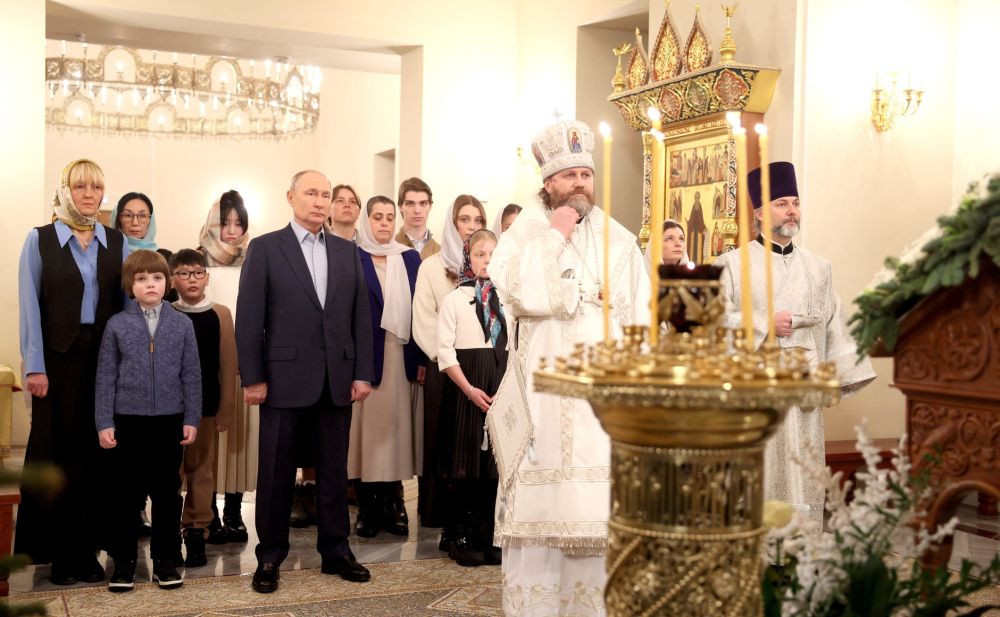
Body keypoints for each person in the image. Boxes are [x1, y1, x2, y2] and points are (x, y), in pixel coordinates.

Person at [489, 119, 650, 617]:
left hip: (599, 407)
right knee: (539, 522)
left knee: (596, 519)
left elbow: (642, 318)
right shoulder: (525, 234)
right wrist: (555, 237)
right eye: (569, 175)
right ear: (548, 182)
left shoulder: (620, 241)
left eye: (586, 174)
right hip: (541, 400)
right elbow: (519, 295)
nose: (580, 183)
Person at [236, 170, 374, 593]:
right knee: (276, 471)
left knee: (334, 470)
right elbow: (249, 319)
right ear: (290, 196)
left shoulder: (347, 250)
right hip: (282, 379)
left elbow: (360, 318)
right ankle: (270, 556)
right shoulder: (264, 248)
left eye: (325, 195)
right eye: (311, 193)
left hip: (336, 379)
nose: (319, 201)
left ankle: (336, 550)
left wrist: (363, 371)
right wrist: (254, 377)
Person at [715, 161, 876, 520]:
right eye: (781, 203)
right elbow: (710, 324)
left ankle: (802, 559)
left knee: (804, 474)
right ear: (759, 213)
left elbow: (836, 322)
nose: (792, 210)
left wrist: (841, 375)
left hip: (803, 397)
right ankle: (757, 561)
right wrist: (762, 323)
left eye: (795, 202)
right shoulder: (731, 264)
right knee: (760, 478)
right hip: (756, 397)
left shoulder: (819, 267)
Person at [17, 158, 128, 585]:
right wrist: (35, 367)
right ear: (65, 190)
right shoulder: (40, 239)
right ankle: (60, 554)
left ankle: (88, 550)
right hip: (56, 364)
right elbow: (29, 305)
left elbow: (123, 307)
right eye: (79, 186)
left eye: (96, 188)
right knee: (57, 456)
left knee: (97, 457)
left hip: (102, 361)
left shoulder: (115, 241)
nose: (88, 194)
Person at [95, 249, 201, 591]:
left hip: (169, 421)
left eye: (156, 278)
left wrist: (192, 417)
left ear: (167, 282)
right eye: (142, 279)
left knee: (167, 494)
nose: (150, 284)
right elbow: (105, 376)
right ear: (131, 284)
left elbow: (192, 375)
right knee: (124, 495)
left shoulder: (182, 324)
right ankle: (124, 562)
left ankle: (166, 560)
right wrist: (103, 421)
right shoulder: (117, 325)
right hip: (127, 421)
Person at [412, 195, 486, 546]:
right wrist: (447, 360)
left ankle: (473, 515)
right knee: (442, 441)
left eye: (477, 219)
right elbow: (423, 320)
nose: (471, 226)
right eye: (464, 219)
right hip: (444, 369)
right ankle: (438, 512)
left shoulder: (491, 266)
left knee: (474, 443)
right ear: (452, 223)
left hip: (480, 370)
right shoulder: (431, 266)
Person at [349, 196, 424, 538]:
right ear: (366, 220)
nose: (383, 223)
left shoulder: (409, 258)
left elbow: (421, 312)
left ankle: (394, 504)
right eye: (377, 217)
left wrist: (422, 358)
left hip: (401, 353)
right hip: (366, 358)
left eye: (389, 217)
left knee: (395, 433)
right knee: (366, 436)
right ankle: (367, 507)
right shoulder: (353, 256)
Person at [437, 229, 508, 567]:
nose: (487, 260)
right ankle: (462, 535)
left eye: (493, 254)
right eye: (480, 254)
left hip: (500, 387)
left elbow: (517, 347)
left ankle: (490, 536)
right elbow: (444, 351)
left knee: (494, 468)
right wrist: (468, 389)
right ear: (469, 257)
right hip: (466, 388)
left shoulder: (509, 299)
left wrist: (507, 389)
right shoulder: (455, 299)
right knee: (465, 466)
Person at [169, 249, 238, 568]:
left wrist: (226, 409)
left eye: (197, 273)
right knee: (171, 472)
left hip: (207, 408)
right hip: (169, 410)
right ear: (172, 280)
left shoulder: (221, 314)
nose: (192, 279)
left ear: (207, 278)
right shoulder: (166, 312)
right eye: (183, 273)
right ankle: (169, 532)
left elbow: (227, 365)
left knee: (201, 470)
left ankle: (197, 531)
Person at [112, 191, 174, 535]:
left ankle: (145, 514)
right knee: (123, 454)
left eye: (143, 215)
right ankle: (122, 515)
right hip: (119, 350)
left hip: (155, 366)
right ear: (117, 218)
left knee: (158, 462)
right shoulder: (109, 254)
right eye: (128, 215)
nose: (136, 222)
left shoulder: (158, 257)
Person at [198, 190, 253, 544]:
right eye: (225, 222)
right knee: (210, 443)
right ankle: (211, 512)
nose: (231, 231)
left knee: (241, 443)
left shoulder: (256, 260)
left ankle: (234, 510)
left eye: (238, 223)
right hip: (208, 364)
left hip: (246, 363)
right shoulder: (196, 263)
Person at [395, 177, 440, 258]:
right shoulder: (390, 247)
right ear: (400, 206)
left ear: (430, 206)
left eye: (423, 203)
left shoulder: (440, 252)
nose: (417, 210)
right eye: (410, 203)